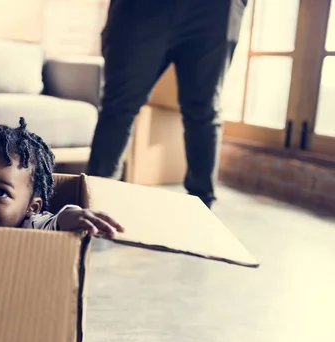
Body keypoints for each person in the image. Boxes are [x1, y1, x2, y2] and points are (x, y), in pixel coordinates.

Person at [86, 0, 247, 208]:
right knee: (118, 106)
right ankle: (96, 202)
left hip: (215, 9)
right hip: (140, 9)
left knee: (204, 110)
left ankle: (203, 209)